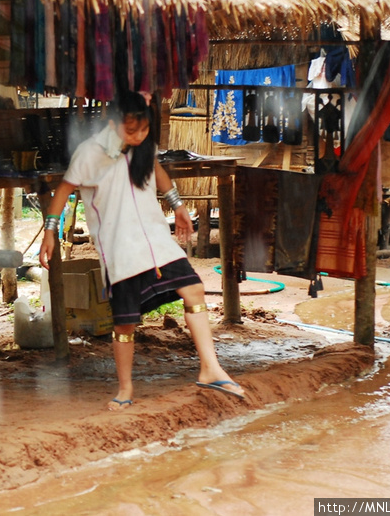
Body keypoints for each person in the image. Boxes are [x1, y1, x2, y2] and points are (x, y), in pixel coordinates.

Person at [39, 91, 245, 411]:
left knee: (194, 288)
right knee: (125, 324)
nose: (138, 136)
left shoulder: (143, 148)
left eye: (143, 130)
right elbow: (64, 189)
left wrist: (176, 205)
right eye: (130, 130)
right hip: (120, 249)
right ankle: (125, 389)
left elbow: (157, 169)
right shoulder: (89, 153)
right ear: (112, 122)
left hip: (156, 240)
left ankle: (211, 369)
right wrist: (50, 231)